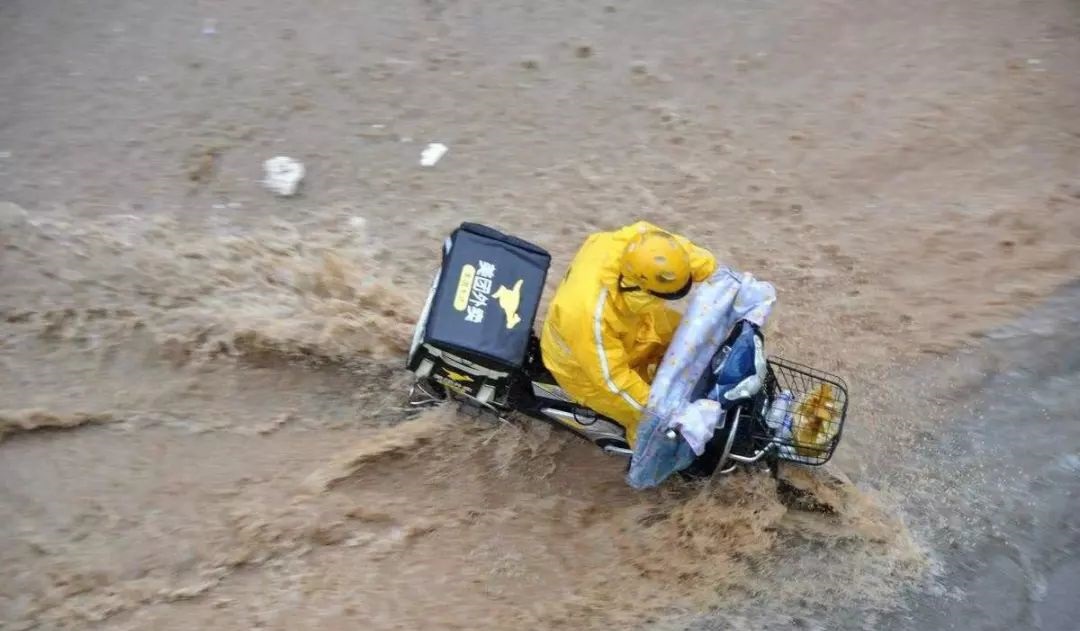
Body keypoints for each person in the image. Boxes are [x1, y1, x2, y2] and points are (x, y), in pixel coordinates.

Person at [539, 221, 718, 446]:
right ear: (638, 287)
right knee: (646, 422)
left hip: (631, 322)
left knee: (695, 340)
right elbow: (614, 381)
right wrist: (665, 415)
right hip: (583, 366)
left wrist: (722, 277)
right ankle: (648, 458)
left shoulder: (638, 241)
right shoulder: (588, 314)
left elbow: (683, 253)